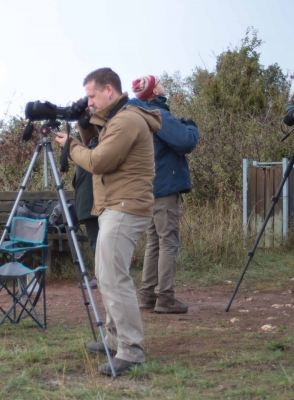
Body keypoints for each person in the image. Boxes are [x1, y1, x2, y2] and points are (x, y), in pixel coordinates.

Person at [55, 68, 161, 376]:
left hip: (126, 206)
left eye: (92, 96)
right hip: (116, 205)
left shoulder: (127, 120)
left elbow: (98, 160)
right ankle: (115, 338)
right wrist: (84, 123)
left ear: (110, 90)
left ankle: (131, 350)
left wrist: (69, 145)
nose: (88, 102)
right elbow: (98, 143)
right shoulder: (116, 119)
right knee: (106, 274)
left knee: (114, 278)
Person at [132, 75, 199, 314]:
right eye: (158, 82)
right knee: (168, 240)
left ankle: (147, 295)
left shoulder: (137, 115)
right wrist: (190, 126)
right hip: (164, 187)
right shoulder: (158, 114)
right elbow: (185, 142)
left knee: (154, 241)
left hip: (146, 188)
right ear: (153, 93)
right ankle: (165, 298)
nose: (162, 84)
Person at [72, 136, 99, 290]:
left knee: (97, 241)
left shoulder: (82, 151)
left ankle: (101, 276)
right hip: (90, 203)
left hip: (88, 203)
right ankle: (100, 276)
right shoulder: (91, 151)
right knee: (96, 241)